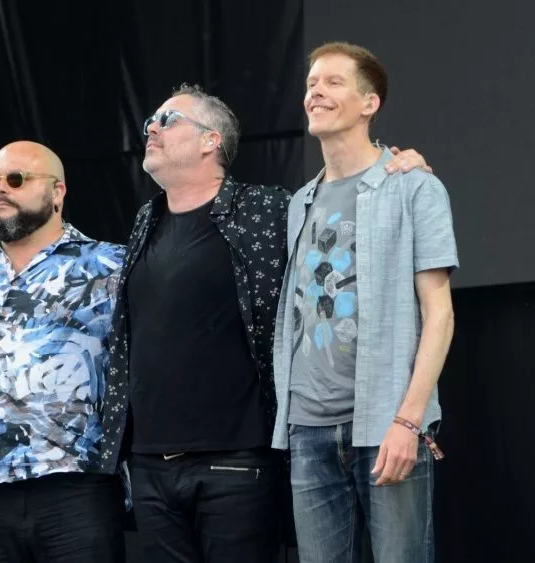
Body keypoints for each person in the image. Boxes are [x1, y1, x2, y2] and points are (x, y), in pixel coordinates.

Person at [97, 84, 431, 562]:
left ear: (211, 141)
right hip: (151, 462)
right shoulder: (145, 222)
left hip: (235, 458)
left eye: (168, 119)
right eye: (150, 120)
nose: (152, 127)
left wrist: (400, 166)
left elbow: (342, 202)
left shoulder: (266, 210)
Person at [271, 42, 458, 563]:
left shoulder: (413, 186)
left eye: (332, 82)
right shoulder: (299, 203)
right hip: (307, 428)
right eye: (311, 83)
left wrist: (409, 422)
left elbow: (439, 314)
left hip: (385, 423)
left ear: (369, 103)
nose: (316, 92)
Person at [0, 140, 128, 563]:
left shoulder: (108, 266)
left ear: (58, 193)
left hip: (77, 482)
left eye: (16, 179)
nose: (0, 188)